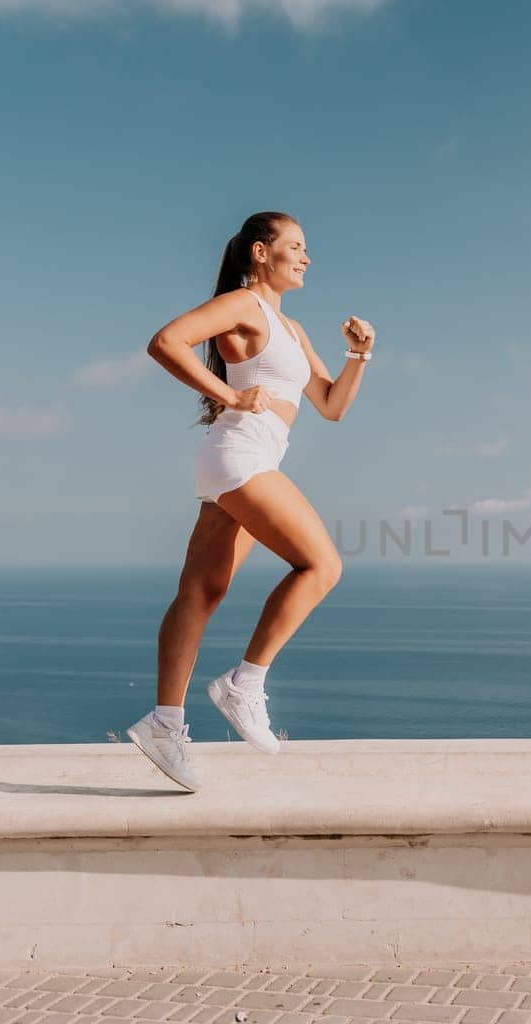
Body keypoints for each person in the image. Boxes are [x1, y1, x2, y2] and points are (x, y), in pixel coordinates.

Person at [124, 211, 375, 792]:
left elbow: (332, 405)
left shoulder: (293, 330)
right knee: (322, 565)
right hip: (242, 456)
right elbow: (165, 343)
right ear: (261, 253)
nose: (307, 257)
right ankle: (245, 683)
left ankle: (164, 724)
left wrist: (359, 356)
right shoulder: (244, 305)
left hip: (239, 460)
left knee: (200, 592)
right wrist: (230, 397)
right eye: (296, 246)